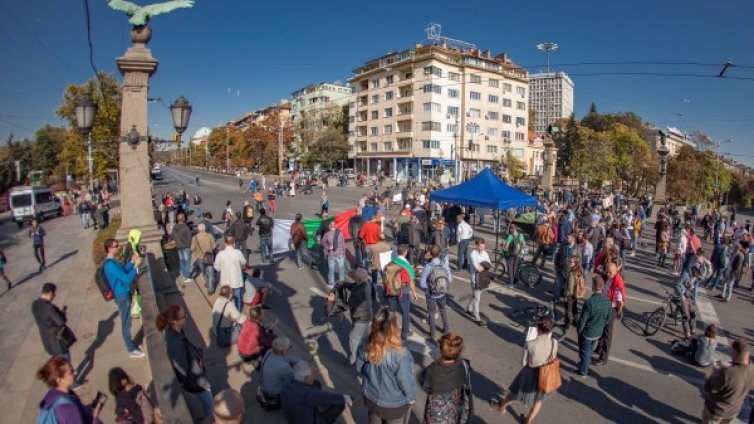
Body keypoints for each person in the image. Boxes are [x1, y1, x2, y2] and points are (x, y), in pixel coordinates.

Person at [492, 315, 558, 423]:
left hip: (530, 374)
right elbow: (553, 358)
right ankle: (528, 420)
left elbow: (524, 362)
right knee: (539, 399)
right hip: (545, 374)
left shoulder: (530, 344)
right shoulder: (554, 342)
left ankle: (502, 406)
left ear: (538, 328)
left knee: (516, 392)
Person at [356, 308, 417, 424]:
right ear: (394, 329)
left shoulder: (365, 347)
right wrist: (411, 398)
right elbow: (406, 383)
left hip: (371, 398)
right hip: (394, 405)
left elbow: (360, 369)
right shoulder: (401, 355)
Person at [156, 304, 213, 418]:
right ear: (175, 321)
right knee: (209, 402)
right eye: (183, 316)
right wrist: (198, 366)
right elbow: (183, 368)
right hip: (196, 381)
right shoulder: (176, 343)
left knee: (207, 399)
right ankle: (210, 418)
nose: (186, 316)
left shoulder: (175, 331)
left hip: (195, 376)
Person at [103, 239, 144, 358]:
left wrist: (131, 262)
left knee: (127, 322)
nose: (119, 247)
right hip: (121, 296)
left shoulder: (112, 261)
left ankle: (132, 346)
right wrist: (136, 267)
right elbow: (126, 279)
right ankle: (131, 350)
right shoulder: (110, 265)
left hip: (124, 293)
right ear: (110, 249)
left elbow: (123, 271)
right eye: (116, 246)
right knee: (126, 324)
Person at [420, 333, 470, 424]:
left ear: (441, 350)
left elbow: (424, 384)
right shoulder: (464, 366)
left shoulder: (432, 369)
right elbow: (467, 387)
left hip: (434, 413)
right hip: (454, 411)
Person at [327, 267, 373, 365]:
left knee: (353, 338)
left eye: (354, 277)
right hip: (367, 316)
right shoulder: (365, 283)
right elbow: (353, 286)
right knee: (365, 339)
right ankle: (367, 355)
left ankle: (353, 359)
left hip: (361, 319)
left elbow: (348, 305)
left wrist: (335, 299)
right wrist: (343, 283)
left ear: (358, 278)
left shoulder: (359, 292)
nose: (353, 279)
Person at [36, 356, 103, 423]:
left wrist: (88, 409)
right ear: (59, 380)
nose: (75, 373)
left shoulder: (53, 394)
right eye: (71, 372)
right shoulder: (68, 409)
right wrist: (95, 417)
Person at [702, 338, 754, 423]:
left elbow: (710, 388)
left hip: (717, 411)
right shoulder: (752, 369)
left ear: (736, 352)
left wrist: (714, 374)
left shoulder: (727, 372)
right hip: (733, 411)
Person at [282, 362, 350, 424]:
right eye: (312, 375)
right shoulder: (308, 393)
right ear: (305, 378)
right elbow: (329, 398)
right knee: (340, 404)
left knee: (316, 383)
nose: (314, 376)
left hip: (292, 418)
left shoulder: (288, 382)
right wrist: (347, 398)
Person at [32, 283, 78, 368]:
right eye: (54, 294)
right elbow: (60, 322)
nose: (54, 296)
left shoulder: (35, 305)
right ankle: (72, 381)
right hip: (57, 342)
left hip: (46, 340)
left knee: (58, 363)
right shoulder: (49, 307)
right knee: (66, 364)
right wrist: (62, 313)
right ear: (50, 293)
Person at [576, 275, 613, 377]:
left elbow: (582, 320)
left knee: (585, 352)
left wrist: (579, 330)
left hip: (587, 332)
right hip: (598, 332)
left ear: (593, 286)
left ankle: (583, 370)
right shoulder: (608, 302)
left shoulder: (589, 303)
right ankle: (584, 364)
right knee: (590, 349)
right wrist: (601, 326)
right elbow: (609, 319)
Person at [419, 245, 452, 343]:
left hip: (431, 294)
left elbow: (422, 283)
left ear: (430, 254)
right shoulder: (444, 265)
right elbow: (450, 279)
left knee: (432, 314)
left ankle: (432, 334)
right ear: (440, 254)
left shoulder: (428, 267)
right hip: (442, 293)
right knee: (443, 311)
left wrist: (429, 287)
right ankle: (447, 330)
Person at [594, 260, 625, 366]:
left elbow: (619, 301)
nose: (607, 274)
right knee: (602, 330)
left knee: (607, 333)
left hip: (611, 309)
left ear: (616, 270)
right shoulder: (611, 277)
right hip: (606, 306)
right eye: (607, 272)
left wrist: (619, 312)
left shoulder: (617, 282)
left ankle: (603, 358)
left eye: (609, 272)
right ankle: (599, 349)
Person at [384, 244, 417, 340]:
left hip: (391, 291)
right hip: (403, 291)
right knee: (405, 312)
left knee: (391, 312)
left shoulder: (390, 263)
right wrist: (414, 293)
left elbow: (385, 278)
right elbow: (411, 281)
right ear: (405, 252)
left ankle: (389, 331)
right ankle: (404, 333)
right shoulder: (406, 265)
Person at [260, 337, 303, 402]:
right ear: (284, 351)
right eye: (289, 347)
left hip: (264, 386)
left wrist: (300, 361)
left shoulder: (270, 352)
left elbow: (286, 357)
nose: (290, 349)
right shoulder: (284, 367)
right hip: (274, 393)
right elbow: (295, 377)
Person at [214, 235, 247, 312]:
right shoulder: (238, 253)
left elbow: (216, 267)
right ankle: (237, 312)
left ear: (225, 243)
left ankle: (228, 312)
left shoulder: (220, 254)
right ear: (234, 243)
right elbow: (243, 263)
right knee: (237, 297)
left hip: (225, 281)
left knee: (226, 299)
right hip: (236, 280)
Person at [468, 237, 490, 327]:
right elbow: (477, 268)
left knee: (475, 295)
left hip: (482, 279)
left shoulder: (485, 253)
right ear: (476, 245)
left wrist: (483, 265)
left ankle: (469, 308)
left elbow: (489, 264)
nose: (482, 248)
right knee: (477, 299)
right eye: (480, 247)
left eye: (483, 247)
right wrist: (484, 265)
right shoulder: (473, 254)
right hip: (475, 280)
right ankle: (477, 318)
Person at [191, 223, 217, 294]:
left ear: (198, 229)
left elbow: (192, 248)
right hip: (209, 256)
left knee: (204, 272)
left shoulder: (195, 237)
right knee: (211, 273)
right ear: (204, 229)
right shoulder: (209, 236)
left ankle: (208, 284)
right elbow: (214, 246)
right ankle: (211, 289)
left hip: (200, 257)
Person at [322, 220, 346, 286]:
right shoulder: (340, 233)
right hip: (340, 253)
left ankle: (331, 283)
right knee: (341, 268)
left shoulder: (327, 234)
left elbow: (323, 242)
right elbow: (343, 243)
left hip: (331, 254)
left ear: (329, 227)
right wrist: (344, 252)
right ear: (335, 226)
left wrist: (327, 247)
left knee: (331, 269)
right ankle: (341, 282)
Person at [172, 212, 194, 284]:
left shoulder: (174, 228)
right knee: (187, 262)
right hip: (185, 247)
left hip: (179, 247)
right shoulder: (186, 228)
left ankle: (184, 275)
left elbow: (174, 237)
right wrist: (188, 245)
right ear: (184, 219)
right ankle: (187, 276)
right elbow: (189, 238)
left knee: (182, 261)